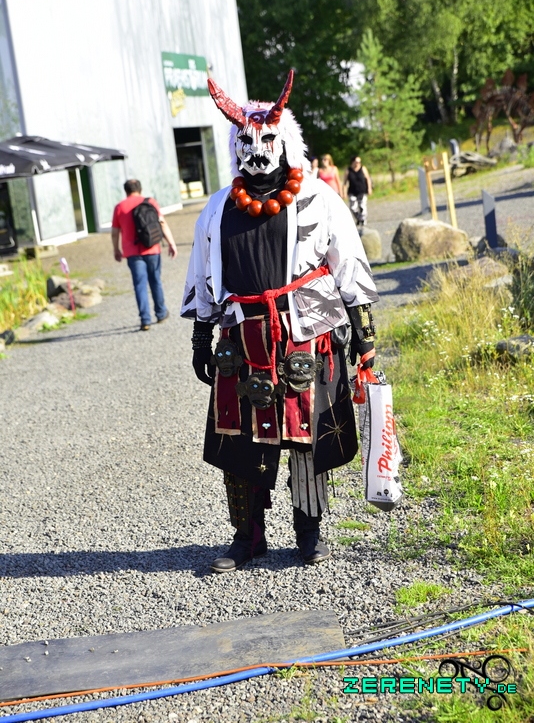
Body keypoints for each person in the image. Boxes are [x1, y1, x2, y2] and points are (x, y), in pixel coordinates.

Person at [181, 70, 378, 573]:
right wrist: (202, 337)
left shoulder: (319, 197)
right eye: (246, 140)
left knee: (306, 436)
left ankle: (309, 534)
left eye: (267, 138)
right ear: (235, 146)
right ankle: (247, 537)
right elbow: (203, 275)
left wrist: (365, 337)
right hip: (242, 339)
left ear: (285, 140)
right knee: (238, 440)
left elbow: (348, 264)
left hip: (306, 335)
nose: (256, 150)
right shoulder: (218, 209)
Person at [112, 179, 177, 331]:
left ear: (126, 191)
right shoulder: (150, 202)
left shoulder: (120, 207)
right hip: (152, 248)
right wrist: (171, 243)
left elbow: (115, 232)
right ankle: (161, 313)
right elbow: (162, 223)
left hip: (132, 252)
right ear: (140, 189)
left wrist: (116, 249)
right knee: (156, 281)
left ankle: (145, 320)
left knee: (139, 285)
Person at [344, 156, 372, 226]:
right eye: (357, 162)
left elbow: (368, 178)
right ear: (352, 162)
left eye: (359, 162)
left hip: (362, 190)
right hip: (352, 191)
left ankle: (363, 220)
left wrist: (369, 188)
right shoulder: (348, 170)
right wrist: (344, 192)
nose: (358, 163)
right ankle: (359, 218)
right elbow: (344, 182)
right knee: (353, 207)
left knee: (362, 206)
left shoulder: (363, 168)